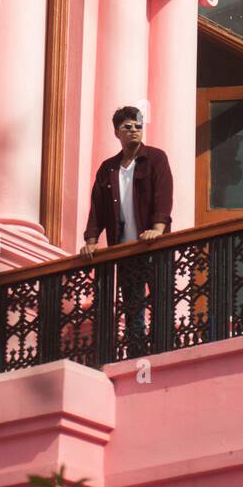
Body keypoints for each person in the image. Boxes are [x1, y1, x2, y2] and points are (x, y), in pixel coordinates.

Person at [82, 106, 173, 357]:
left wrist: (157, 229)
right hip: (125, 249)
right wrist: (91, 240)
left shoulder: (156, 158)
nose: (134, 130)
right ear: (117, 132)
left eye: (138, 126)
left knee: (161, 298)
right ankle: (136, 352)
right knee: (133, 304)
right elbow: (97, 208)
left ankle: (163, 350)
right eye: (128, 126)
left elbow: (163, 195)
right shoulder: (108, 168)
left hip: (153, 246)